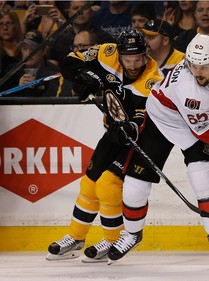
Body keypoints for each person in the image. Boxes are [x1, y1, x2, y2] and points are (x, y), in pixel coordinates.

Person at [106, 34, 209, 265]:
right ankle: (132, 233)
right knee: (135, 184)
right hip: (162, 119)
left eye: (204, 66)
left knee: (203, 176)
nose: (198, 72)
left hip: (199, 118)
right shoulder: (191, 92)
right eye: (193, 66)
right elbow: (207, 132)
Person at [46, 28, 163, 262]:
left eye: (138, 58)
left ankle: (112, 240)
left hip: (138, 138)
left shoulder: (152, 77)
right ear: (119, 54)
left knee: (108, 186)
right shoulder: (106, 53)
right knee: (89, 184)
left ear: (145, 54)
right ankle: (76, 236)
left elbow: (142, 116)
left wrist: (130, 127)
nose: (133, 64)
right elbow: (70, 62)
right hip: (113, 132)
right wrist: (84, 77)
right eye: (128, 59)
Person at [48, 0, 115, 67]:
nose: (80, 12)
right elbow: (51, 66)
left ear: (91, 11)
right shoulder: (60, 39)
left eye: (84, 8)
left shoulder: (105, 39)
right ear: (69, 12)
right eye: (75, 8)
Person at [0, 30, 62, 97]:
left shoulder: (54, 73)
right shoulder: (12, 70)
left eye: (33, 49)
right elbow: (3, 97)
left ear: (44, 51)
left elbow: (54, 99)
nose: (28, 53)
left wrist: (37, 87)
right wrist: (18, 87)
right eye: (24, 48)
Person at [0, 8, 22, 76]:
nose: (5, 28)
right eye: (1, 24)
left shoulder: (25, 49)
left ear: (16, 25)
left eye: (8, 23)